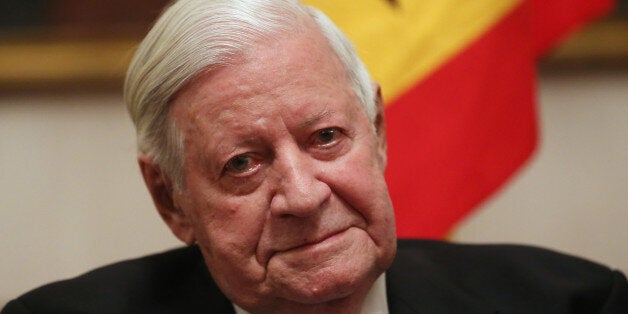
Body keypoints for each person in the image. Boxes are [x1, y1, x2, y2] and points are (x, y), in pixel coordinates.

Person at [2, 0, 627, 313]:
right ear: (171, 198)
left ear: (377, 132)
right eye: (242, 164)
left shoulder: (572, 304)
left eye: (326, 137)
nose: (303, 196)